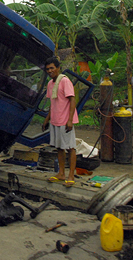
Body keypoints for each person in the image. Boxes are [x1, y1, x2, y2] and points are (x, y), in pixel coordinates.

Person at [42, 57, 79, 187]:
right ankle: (61, 173)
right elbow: (53, 104)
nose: (50, 71)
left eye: (52, 68)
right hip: (55, 120)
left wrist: (70, 120)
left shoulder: (64, 81)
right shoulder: (50, 84)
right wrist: (46, 120)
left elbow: (72, 100)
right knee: (59, 148)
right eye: (48, 69)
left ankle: (71, 175)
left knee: (70, 148)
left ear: (58, 68)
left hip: (65, 121)